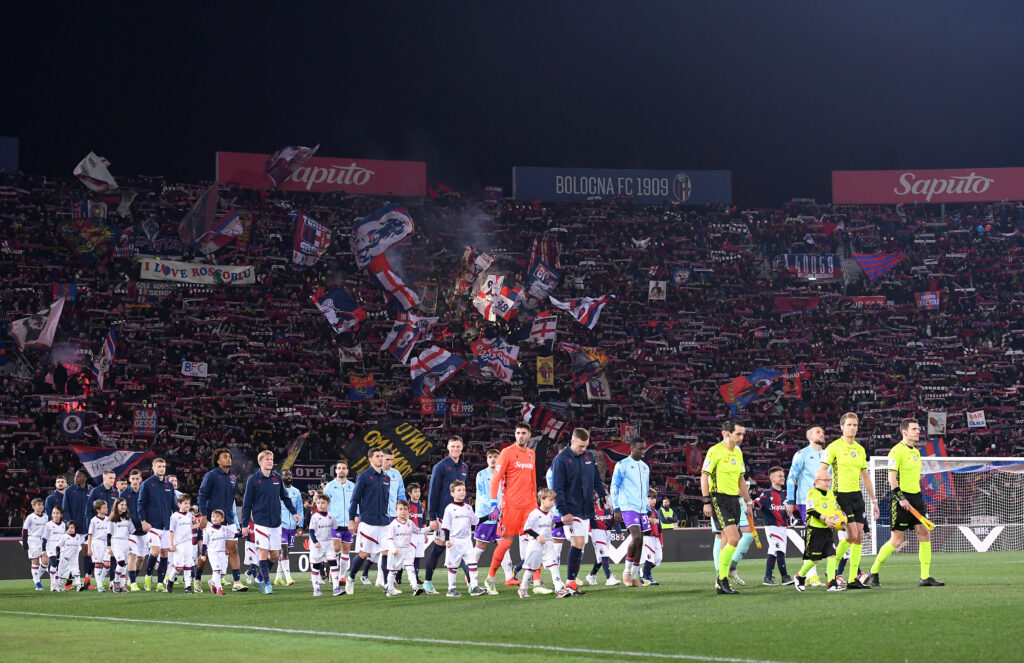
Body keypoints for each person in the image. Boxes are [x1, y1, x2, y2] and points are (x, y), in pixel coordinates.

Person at [867, 419, 944, 588]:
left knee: (924, 533)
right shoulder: (896, 452)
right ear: (904, 432)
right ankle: (873, 570)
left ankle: (925, 577)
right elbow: (892, 479)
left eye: (919, 428)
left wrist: (916, 499)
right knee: (896, 541)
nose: (918, 431)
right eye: (914, 429)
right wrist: (901, 498)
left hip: (916, 498)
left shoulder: (916, 452)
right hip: (901, 499)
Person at [821, 412, 879, 589]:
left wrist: (874, 501)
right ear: (842, 427)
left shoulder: (860, 449)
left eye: (855, 425)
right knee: (852, 535)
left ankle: (854, 579)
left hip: (857, 496)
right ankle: (832, 569)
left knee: (859, 537)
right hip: (840, 495)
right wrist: (822, 497)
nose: (852, 427)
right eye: (849, 425)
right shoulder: (833, 447)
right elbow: (822, 471)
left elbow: (866, 477)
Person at [550, 427, 607, 595]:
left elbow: (596, 479)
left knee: (580, 545)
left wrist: (603, 496)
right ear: (572, 441)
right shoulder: (561, 460)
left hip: (586, 508)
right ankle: (569, 583)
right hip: (571, 509)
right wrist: (563, 511)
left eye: (586, 446)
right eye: (580, 446)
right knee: (578, 542)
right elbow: (557, 489)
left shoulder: (589, 456)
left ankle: (570, 582)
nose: (583, 449)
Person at [484, 423, 537, 594]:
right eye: (518, 433)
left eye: (523, 433)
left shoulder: (531, 454)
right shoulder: (507, 453)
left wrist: (536, 503)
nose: (520, 436)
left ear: (529, 435)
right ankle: (490, 577)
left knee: (535, 541)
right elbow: (495, 479)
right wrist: (494, 503)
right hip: (511, 506)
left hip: (529, 505)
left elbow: (533, 480)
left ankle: (536, 582)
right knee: (506, 542)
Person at [701, 421, 754, 595]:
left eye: (743, 434)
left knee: (726, 540)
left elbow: (741, 480)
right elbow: (704, 476)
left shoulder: (738, 454)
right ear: (726, 433)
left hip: (734, 500)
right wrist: (706, 501)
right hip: (719, 499)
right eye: (738, 434)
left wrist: (748, 502)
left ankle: (720, 581)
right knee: (734, 538)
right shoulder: (714, 451)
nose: (741, 438)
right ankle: (723, 579)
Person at [240, 450, 301, 595]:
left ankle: (260, 577)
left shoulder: (277, 478)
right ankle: (267, 584)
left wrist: (294, 512)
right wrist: (244, 524)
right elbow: (247, 504)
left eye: (271, 459)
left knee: (274, 555)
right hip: (260, 523)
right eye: (267, 459)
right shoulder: (253, 480)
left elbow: (285, 498)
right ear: (260, 462)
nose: (270, 461)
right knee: (263, 552)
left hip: (276, 523)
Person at [422, 435, 469, 595]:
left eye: (458, 446)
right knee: (439, 548)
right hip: (443, 516)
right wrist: (432, 517)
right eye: (453, 446)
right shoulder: (440, 467)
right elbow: (433, 492)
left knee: (462, 549)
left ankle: (471, 582)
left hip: (460, 516)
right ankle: (427, 581)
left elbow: (464, 492)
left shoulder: (464, 468)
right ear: (448, 448)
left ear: (462, 448)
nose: (455, 449)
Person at [197, 447, 246, 591]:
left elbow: (231, 500)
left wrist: (234, 521)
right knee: (205, 552)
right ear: (218, 461)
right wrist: (204, 515)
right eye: (225, 457)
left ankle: (237, 582)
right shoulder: (211, 475)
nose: (228, 459)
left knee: (233, 548)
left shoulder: (232, 477)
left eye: (229, 456)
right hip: (212, 519)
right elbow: (202, 495)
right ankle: (197, 577)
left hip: (229, 519)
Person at [785, 425, 828, 586]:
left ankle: (809, 574)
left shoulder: (827, 455)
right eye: (818, 432)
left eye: (822, 432)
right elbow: (791, 478)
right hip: (806, 501)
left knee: (821, 538)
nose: (822, 434)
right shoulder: (801, 454)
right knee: (814, 537)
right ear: (810, 437)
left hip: (826, 501)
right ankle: (811, 575)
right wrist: (790, 501)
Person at [346, 447, 391, 595]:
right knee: (364, 554)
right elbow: (355, 499)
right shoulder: (364, 476)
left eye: (381, 456)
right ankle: (351, 578)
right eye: (378, 456)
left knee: (386, 552)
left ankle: (387, 586)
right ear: (370, 459)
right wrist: (352, 520)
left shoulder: (386, 478)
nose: (381, 458)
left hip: (384, 522)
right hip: (368, 523)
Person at [794, 468, 844, 592]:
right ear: (816, 481)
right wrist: (825, 518)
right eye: (825, 480)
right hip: (815, 530)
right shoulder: (812, 492)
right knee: (814, 559)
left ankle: (831, 584)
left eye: (829, 480)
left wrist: (839, 519)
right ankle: (800, 576)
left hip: (827, 530)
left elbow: (835, 511)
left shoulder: (831, 494)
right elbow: (810, 510)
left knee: (832, 555)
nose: (828, 482)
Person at [612, 437, 652, 587]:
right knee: (636, 537)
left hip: (642, 508)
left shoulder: (645, 467)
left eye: (644, 448)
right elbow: (614, 486)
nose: (643, 451)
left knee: (640, 541)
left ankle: (633, 577)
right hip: (628, 507)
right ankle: (626, 572)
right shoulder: (622, 465)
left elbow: (646, 489)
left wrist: (648, 509)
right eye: (640, 448)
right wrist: (616, 507)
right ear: (632, 448)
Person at [473, 448, 514, 592]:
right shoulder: (481, 475)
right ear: (487, 459)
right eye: (490, 457)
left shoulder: (504, 474)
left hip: (500, 517)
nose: (492, 459)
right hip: (486, 516)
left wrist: (503, 509)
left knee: (503, 545)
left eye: (495, 457)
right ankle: (470, 575)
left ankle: (509, 577)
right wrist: (493, 507)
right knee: (480, 547)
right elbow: (482, 494)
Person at [518, 487, 568, 598]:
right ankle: (523, 588)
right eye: (550, 500)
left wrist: (564, 523)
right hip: (535, 544)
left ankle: (559, 588)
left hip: (548, 542)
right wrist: (537, 536)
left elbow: (553, 526)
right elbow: (527, 528)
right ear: (542, 500)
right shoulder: (535, 514)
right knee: (532, 568)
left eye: (553, 500)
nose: (552, 502)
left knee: (554, 564)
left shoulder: (550, 514)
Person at [441, 480, 485, 597]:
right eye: (459, 490)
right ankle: (451, 589)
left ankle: (474, 586)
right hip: (454, 540)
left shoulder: (468, 508)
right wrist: (447, 540)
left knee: (472, 562)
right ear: (452, 493)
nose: (462, 492)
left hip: (466, 540)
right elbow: (445, 526)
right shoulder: (449, 508)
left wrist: (490, 516)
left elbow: (476, 521)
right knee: (453, 565)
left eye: (464, 490)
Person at [138, 457, 175, 592]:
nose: (161, 469)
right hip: (152, 525)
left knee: (165, 553)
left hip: (166, 525)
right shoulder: (147, 484)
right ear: (153, 468)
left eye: (163, 466)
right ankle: (148, 576)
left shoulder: (169, 486)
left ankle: (160, 584)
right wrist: (143, 521)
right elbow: (140, 504)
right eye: (159, 466)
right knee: (155, 551)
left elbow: (174, 506)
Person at [756, 466, 793, 585]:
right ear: (772, 479)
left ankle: (768, 578)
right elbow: (755, 503)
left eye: (783, 475)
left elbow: (794, 510)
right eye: (780, 476)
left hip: (783, 527)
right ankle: (785, 577)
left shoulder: (786, 494)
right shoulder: (766, 494)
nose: (783, 478)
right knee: (780, 550)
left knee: (773, 551)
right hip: (772, 527)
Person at [323, 460, 355, 586]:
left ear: (347, 471)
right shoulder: (330, 486)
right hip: (334, 522)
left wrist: (356, 517)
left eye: (344, 468)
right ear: (335, 470)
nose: (341, 470)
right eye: (339, 468)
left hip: (348, 522)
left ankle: (341, 576)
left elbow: (356, 502)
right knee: (335, 548)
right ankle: (332, 571)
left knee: (346, 549)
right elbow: (324, 503)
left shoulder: (352, 486)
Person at [384, 499, 424, 597]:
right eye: (400, 509)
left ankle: (415, 587)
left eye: (405, 509)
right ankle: (389, 588)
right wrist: (393, 549)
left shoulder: (410, 523)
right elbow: (389, 538)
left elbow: (418, 531)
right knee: (393, 571)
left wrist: (430, 528)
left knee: (410, 568)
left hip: (407, 549)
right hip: (396, 551)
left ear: (408, 511)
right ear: (396, 510)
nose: (403, 511)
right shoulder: (393, 524)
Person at [62, 470, 92, 589]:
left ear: (84, 478)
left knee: (87, 554)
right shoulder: (70, 490)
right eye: (75, 476)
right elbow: (65, 509)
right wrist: (70, 525)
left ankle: (87, 581)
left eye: (78, 476)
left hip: (87, 529)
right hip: (74, 530)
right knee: (72, 556)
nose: (75, 478)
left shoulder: (91, 490)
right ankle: (69, 582)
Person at [308, 494, 341, 597]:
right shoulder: (314, 517)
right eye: (318, 503)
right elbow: (311, 531)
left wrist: (348, 530)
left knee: (333, 563)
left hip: (328, 543)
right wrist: (315, 542)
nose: (320, 505)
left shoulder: (331, 516)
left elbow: (337, 528)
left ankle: (336, 588)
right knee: (316, 566)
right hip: (317, 544)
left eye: (323, 503)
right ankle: (316, 588)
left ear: (328, 504)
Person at [274, 468, 303, 586]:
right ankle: (288, 577)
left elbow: (300, 509)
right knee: (284, 550)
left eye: (290, 475)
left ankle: (277, 577)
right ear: (281, 477)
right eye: (286, 475)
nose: (288, 477)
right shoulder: (276, 491)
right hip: (281, 525)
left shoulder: (297, 492)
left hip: (292, 527)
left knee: (286, 552)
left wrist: (300, 526)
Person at [584, 492, 620, 586]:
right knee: (604, 553)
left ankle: (591, 575)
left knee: (601, 557)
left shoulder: (611, 508)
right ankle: (609, 578)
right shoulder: (591, 507)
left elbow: (615, 521)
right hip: (597, 531)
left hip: (607, 532)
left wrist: (619, 532)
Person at [166, 494, 197, 593]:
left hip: (188, 543)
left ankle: (188, 586)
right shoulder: (174, 516)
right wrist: (172, 544)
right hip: (178, 543)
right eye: (185, 503)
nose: (187, 505)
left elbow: (189, 527)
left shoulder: (189, 515)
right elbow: (171, 531)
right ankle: (170, 580)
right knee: (178, 567)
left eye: (189, 503)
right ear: (179, 504)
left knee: (188, 565)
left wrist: (199, 524)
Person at [21, 497, 48, 591]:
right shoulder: (30, 517)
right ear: (33, 506)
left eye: (42, 505)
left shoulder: (46, 516)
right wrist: (25, 543)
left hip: (43, 540)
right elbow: (24, 531)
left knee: (46, 561)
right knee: (35, 561)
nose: (41, 506)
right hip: (33, 540)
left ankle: (36, 576)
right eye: (39, 505)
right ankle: (37, 583)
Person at [86, 499, 112, 592]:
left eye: (106, 507)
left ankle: (99, 581)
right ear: (98, 510)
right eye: (104, 507)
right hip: (96, 543)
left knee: (107, 564)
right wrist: (89, 548)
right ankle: (100, 585)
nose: (106, 509)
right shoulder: (93, 520)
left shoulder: (108, 519)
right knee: (98, 563)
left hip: (106, 543)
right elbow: (90, 535)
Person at [108, 498, 133, 593]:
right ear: (116, 506)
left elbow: (132, 530)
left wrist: (145, 529)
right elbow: (109, 534)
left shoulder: (127, 518)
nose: (124, 507)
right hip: (116, 542)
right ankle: (116, 581)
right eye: (121, 505)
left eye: (125, 505)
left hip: (125, 542)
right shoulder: (112, 519)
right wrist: (109, 546)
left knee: (124, 565)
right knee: (121, 562)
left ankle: (122, 586)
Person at [202, 509, 230, 595]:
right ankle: (219, 588)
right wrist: (203, 554)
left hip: (222, 553)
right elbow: (204, 543)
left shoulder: (225, 529)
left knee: (223, 573)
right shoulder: (207, 530)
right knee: (217, 570)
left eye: (217, 516)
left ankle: (212, 582)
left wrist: (242, 533)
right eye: (213, 516)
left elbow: (233, 535)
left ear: (222, 519)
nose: (215, 518)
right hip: (212, 552)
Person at [640, 489, 663, 585]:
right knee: (650, 558)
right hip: (648, 537)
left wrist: (661, 540)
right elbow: (640, 523)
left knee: (658, 558)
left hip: (656, 537)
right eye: (651, 498)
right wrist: (647, 520)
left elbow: (659, 527)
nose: (653, 500)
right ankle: (646, 576)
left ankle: (643, 570)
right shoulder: (643, 510)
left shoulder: (656, 511)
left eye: (654, 498)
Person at [42, 505, 67, 590]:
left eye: (57, 513)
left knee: (60, 566)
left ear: (61, 515)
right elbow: (44, 538)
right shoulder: (48, 525)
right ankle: (53, 583)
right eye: (53, 513)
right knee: (54, 563)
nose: (55, 515)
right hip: (51, 547)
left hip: (60, 548)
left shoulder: (64, 525)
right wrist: (43, 549)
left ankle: (59, 582)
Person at [56, 521, 83, 591]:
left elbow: (79, 545)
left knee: (76, 572)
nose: (69, 529)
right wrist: (57, 555)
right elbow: (58, 546)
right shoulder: (64, 537)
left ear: (75, 528)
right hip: (64, 558)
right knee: (61, 574)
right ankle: (59, 586)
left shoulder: (78, 537)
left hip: (74, 558)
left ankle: (78, 585)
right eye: (68, 528)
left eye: (72, 527)